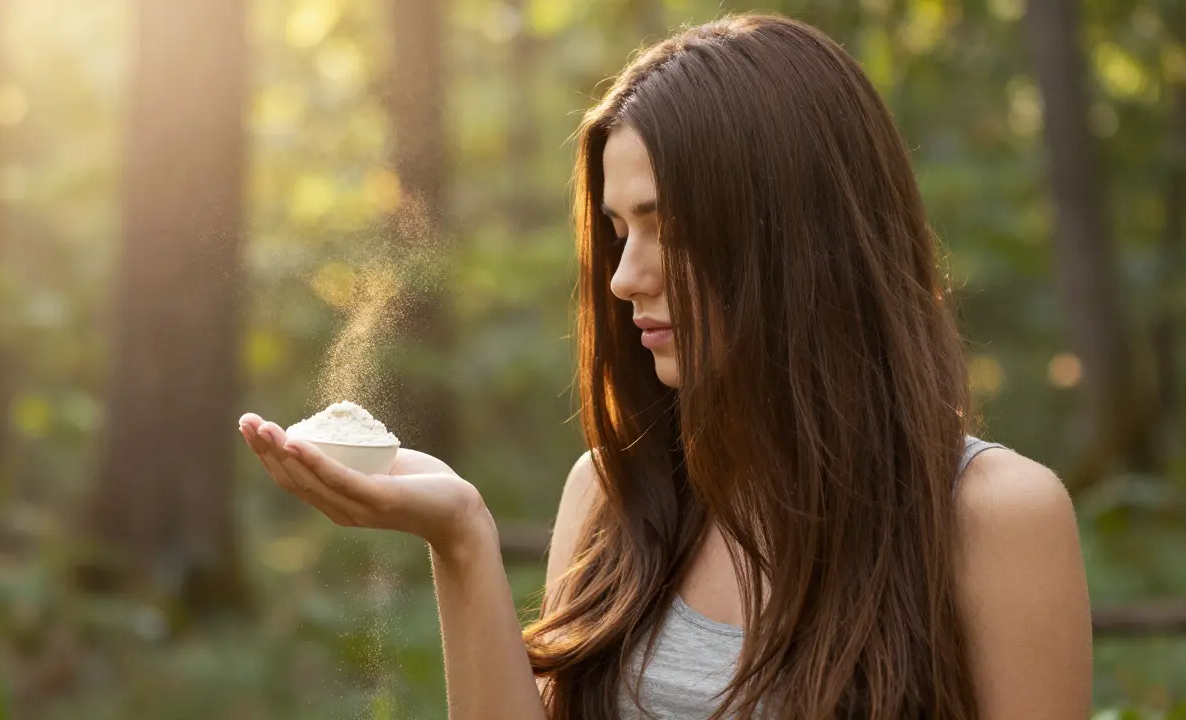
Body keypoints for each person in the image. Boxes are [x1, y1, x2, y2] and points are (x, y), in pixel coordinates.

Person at [238, 13, 1092, 720]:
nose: (623, 278)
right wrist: (460, 539)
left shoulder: (994, 515)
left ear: (800, 241)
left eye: (668, 229)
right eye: (619, 231)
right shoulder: (613, 494)